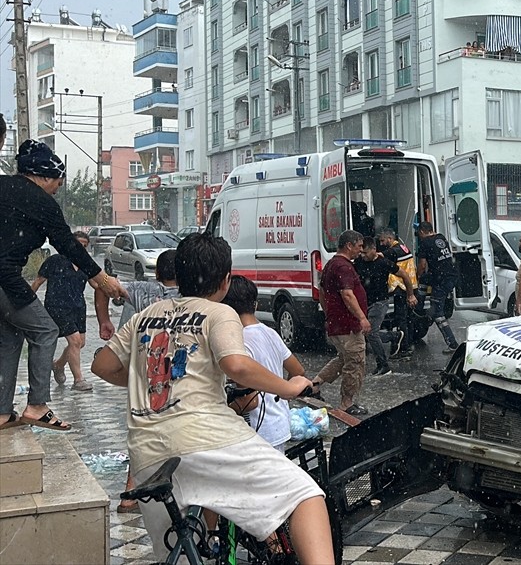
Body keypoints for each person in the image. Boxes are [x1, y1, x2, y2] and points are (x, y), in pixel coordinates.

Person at [90, 233, 332, 564]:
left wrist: (150, 382)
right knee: (305, 496)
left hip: (147, 454)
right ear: (226, 280)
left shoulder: (143, 317)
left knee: (182, 552)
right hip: (207, 439)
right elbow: (235, 364)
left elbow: (101, 365)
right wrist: (290, 387)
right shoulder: (218, 313)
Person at [1, 140, 126, 432]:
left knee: (9, 337)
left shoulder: (3, 187)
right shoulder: (42, 202)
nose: (58, 187)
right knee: (45, 330)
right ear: (44, 176)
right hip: (5, 278)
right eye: (58, 181)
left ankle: (3, 413)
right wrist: (103, 278)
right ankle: (37, 406)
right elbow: (68, 244)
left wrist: (98, 279)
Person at [97, 249, 181, 514]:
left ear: (157, 272)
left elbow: (102, 283)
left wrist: (104, 319)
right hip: (174, 372)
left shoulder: (141, 289)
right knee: (171, 427)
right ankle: (164, 489)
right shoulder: (189, 296)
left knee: (142, 427)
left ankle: (130, 494)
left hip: (143, 368)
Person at [222, 275, 304, 452]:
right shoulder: (271, 333)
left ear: (226, 309)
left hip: (257, 432)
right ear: (255, 304)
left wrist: (220, 412)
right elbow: (298, 371)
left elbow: (249, 402)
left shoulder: (238, 341)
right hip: (279, 424)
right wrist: (280, 395)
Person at [312, 230, 370, 416]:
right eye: (359, 246)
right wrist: (361, 317)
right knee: (355, 362)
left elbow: (321, 291)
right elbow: (347, 294)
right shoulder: (344, 267)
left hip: (336, 323)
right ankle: (347, 403)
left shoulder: (331, 264)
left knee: (343, 358)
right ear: (349, 245)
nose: (360, 250)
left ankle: (314, 385)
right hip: (348, 326)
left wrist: (329, 313)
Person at [29, 231, 94, 393]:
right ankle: (79, 380)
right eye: (78, 244)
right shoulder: (55, 261)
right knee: (75, 341)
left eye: (84, 246)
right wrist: (26, 304)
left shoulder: (86, 264)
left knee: (80, 343)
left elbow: (98, 283)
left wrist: (114, 288)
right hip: (57, 307)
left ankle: (58, 365)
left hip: (78, 307)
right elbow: (37, 282)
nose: (81, 248)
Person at [416, 221, 460, 353]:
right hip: (450, 276)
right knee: (425, 279)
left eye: (419, 234)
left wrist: (416, 278)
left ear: (422, 232)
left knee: (437, 312)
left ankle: (452, 343)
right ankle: (420, 306)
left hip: (441, 280)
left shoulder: (425, 243)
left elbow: (422, 265)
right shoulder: (441, 237)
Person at [355, 237, 396, 376]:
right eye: (361, 253)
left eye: (366, 252)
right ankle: (394, 336)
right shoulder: (359, 262)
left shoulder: (383, 262)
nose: (363, 255)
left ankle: (384, 365)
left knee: (371, 332)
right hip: (366, 302)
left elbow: (404, 275)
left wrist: (410, 294)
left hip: (380, 302)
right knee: (366, 332)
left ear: (374, 249)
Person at [375, 229, 418, 358]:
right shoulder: (403, 247)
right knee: (409, 319)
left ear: (389, 238)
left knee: (401, 319)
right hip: (411, 285)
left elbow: (378, 256)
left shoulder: (393, 251)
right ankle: (409, 344)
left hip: (402, 288)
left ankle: (403, 348)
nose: (381, 243)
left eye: (383, 240)